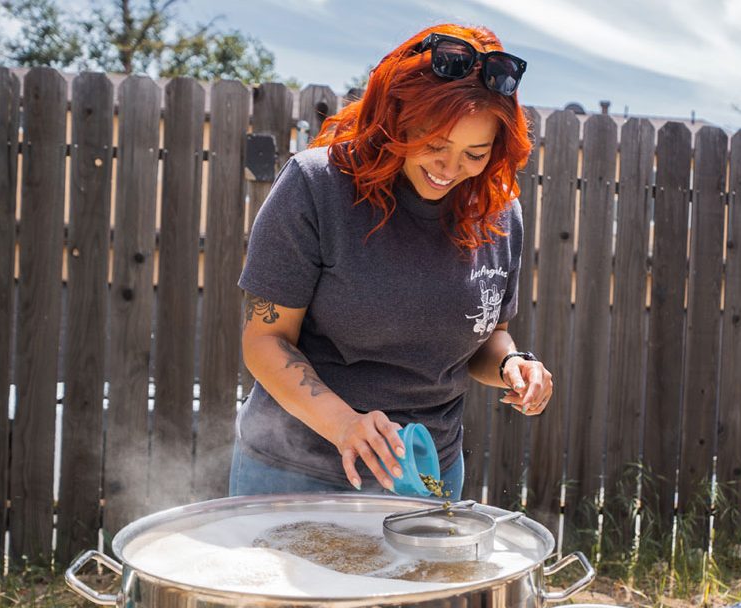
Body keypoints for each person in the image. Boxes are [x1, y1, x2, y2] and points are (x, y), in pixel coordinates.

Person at [229, 24, 553, 499]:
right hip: (297, 472)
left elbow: (488, 336)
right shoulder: (317, 187)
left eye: (474, 154)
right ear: (394, 117)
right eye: (434, 143)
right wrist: (345, 425)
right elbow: (265, 340)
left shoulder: (500, 213)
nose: (449, 168)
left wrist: (512, 364)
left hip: (429, 474)